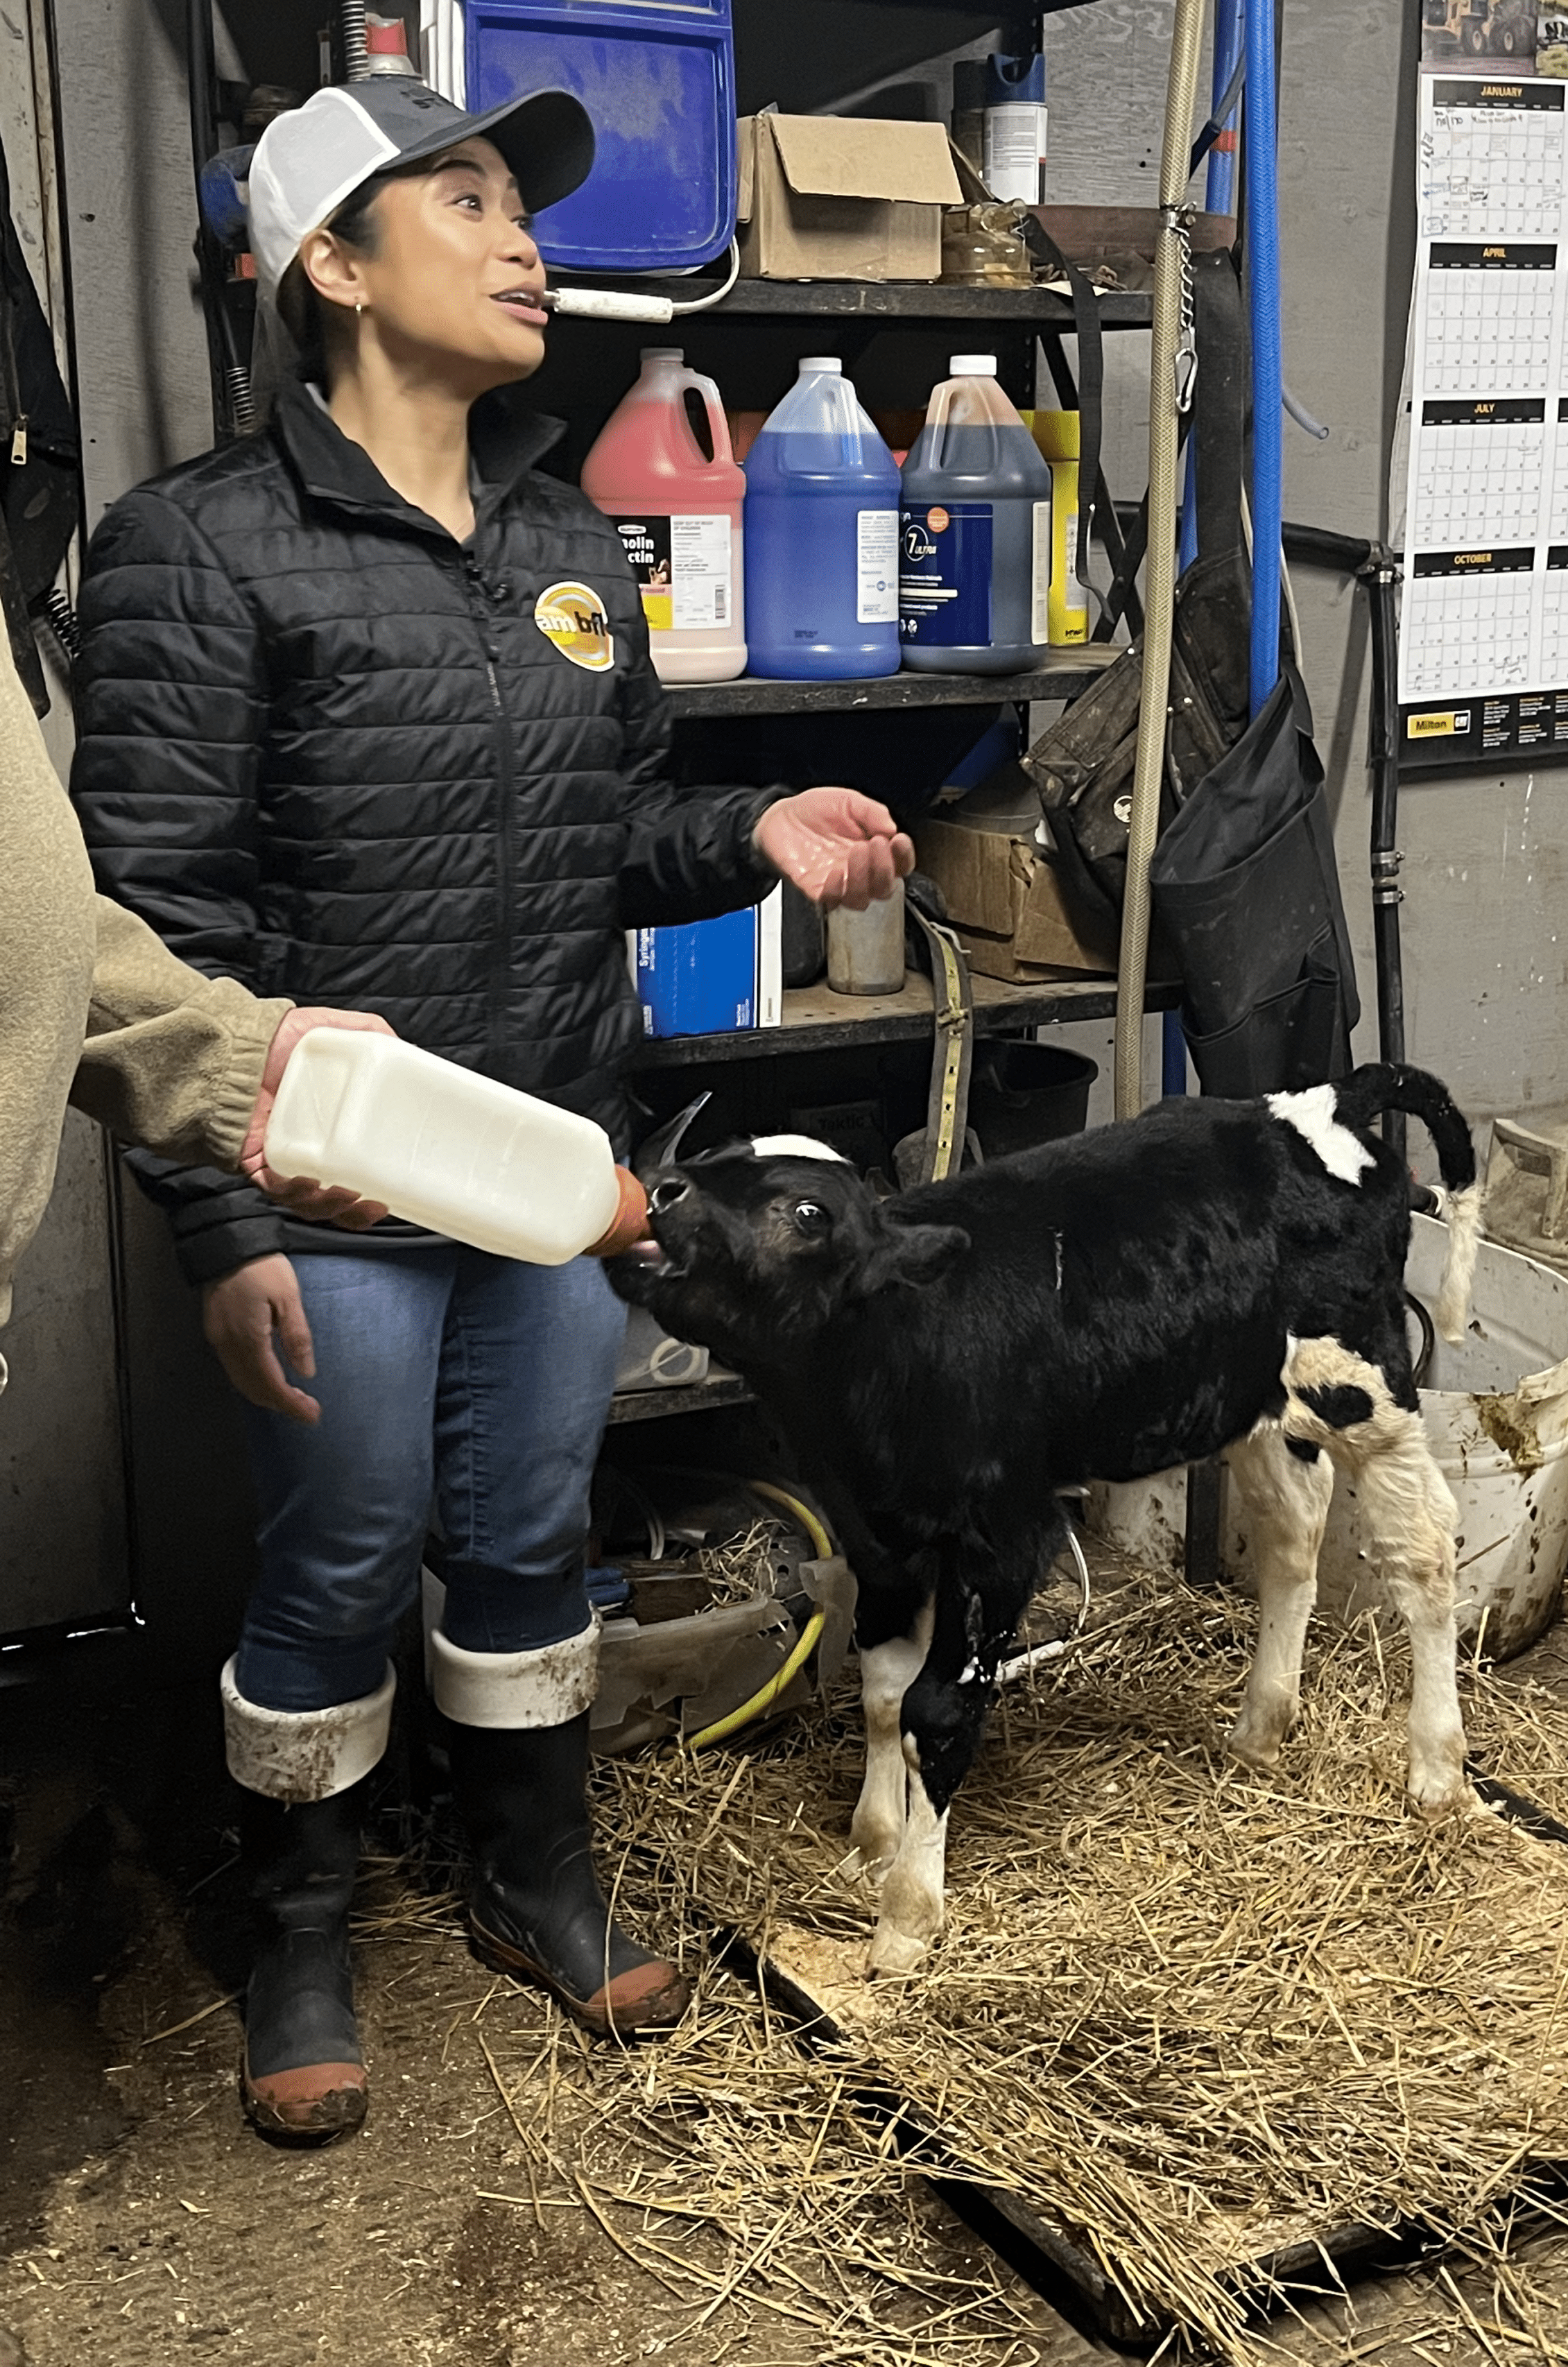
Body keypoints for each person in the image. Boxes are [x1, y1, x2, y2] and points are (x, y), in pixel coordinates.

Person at [72, 75, 912, 2144]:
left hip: (547, 1165)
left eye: (517, 204)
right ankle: (299, 1920)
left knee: (532, 1531)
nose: (523, 236)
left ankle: (538, 1867)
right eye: (459, 202)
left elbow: (606, 829)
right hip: (330, 1181)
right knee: (339, 1555)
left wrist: (748, 830)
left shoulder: (558, 536)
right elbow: (146, 936)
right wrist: (222, 1227)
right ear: (329, 269)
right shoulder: (198, 549)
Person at [0, 642, 386, 1347]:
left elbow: (24, 901)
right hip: (342, 1254)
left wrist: (226, 1057)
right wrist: (226, 1225)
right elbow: (162, 862)